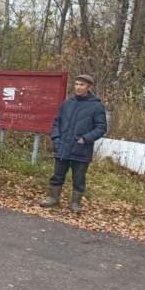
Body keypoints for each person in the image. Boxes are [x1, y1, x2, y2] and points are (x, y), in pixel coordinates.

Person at [40, 74, 107, 213]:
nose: (78, 87)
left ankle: (75, 204)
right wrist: (56, 137)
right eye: (76, 84)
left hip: (81, 148)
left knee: (79, 178)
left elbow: (101, 128)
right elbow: (57, 122)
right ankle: (54, 199)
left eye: (82, 85)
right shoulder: (67, 103)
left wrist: (85, 139)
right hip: (63, 145)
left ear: (89, 87)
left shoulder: (96, 106)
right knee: (58, 174)